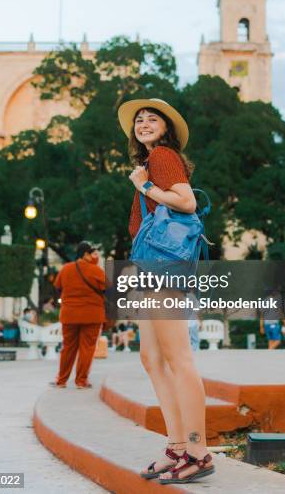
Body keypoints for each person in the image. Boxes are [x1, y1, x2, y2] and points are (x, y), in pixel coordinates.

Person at [118, 98, 215, 484]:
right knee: (151, 358)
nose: (143, 122)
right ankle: (176, 447)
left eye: (151, 118)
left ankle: (198, 450)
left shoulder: (162, 156)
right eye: (138, 120)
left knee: (177, 359)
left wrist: (145, 186)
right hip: (148, 265)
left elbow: (186, 201)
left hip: (162, 267)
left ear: (166, 128)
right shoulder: (149, 162)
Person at [51, 242, 106, 389]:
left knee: (68, 347)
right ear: (85, 254)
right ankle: (81, 380)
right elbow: (107, 290)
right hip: (92, 315)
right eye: (93, 254)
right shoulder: (97, 271)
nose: (95, 257)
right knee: (87, 348)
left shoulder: (66, 269)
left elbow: (57, 287)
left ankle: (61, 380)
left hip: (69, 314)